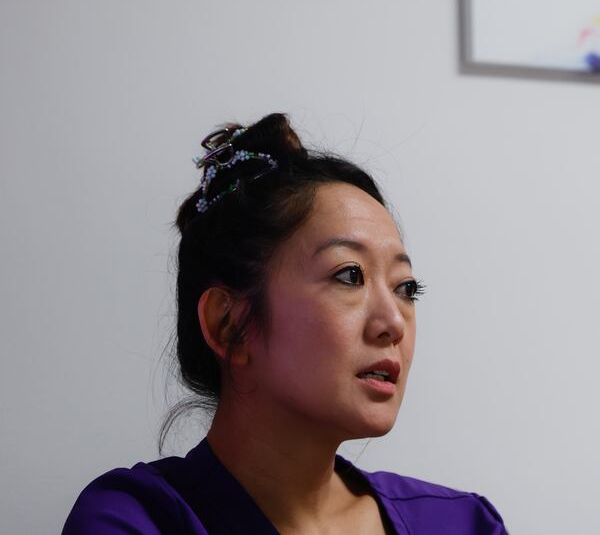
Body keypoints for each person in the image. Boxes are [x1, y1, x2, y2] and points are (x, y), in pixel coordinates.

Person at [62, 113, 509, 533]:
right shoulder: (135, 520)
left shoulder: (460, 522)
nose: (393, 322)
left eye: (406, 288)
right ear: (228, 324)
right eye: (350, 275)